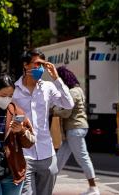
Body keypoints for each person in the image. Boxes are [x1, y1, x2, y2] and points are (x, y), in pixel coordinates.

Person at [12, 50, 73, 195]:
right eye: (37, 64)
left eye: (43, 65)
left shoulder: (48, 87)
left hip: (46, 153)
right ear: (25, 65)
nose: (40, 68)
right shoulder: (14, 90)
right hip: (23, 153)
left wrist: (56, 78)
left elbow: (68, 104)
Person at [52, 66, 99, 195]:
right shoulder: (79, 90)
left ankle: (93, 188)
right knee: (59, 159)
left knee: (82, 157)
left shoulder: (72, 92)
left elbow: (67, 113)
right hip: (76, 128)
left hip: (74, 128)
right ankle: (48, 187)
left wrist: (54, 110)